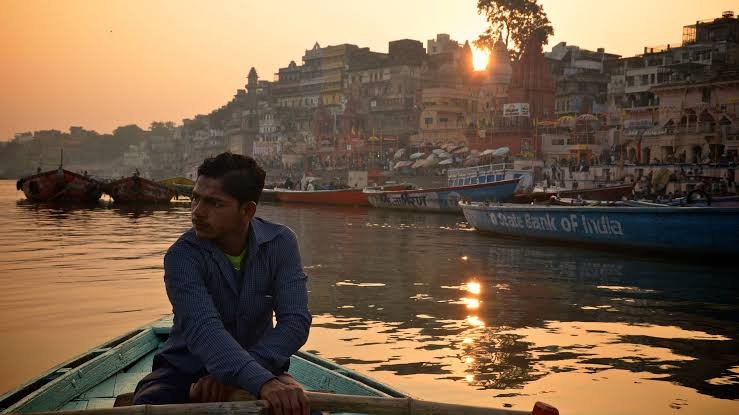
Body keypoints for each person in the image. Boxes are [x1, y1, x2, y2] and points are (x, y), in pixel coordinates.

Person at [133, 152, 311, 415]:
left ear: (247, 210)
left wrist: (246, 375)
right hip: (184, 371)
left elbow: (295, 321)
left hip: (263, 365)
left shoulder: (281, 244)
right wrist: (254, 379)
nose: (197, 212)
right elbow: (203, 327)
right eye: (195, 198)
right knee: (149, 405)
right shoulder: (182, 256)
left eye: (215, 204)